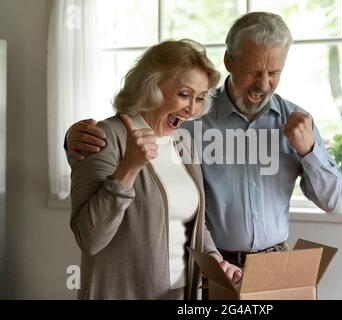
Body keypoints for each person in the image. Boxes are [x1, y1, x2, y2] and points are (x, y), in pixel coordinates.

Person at [66, 12, 342, 269]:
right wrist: (72, 140)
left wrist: (309, 151)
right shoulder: (190, 117)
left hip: (274, 263)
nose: (263, 84)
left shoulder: (297, 123)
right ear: (229, 61)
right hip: (208, 264)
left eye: (274, 73)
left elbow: (332, 201)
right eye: (253, 72)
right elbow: (136, 129)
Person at [67, 39, 241, 300]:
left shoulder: (183, 144)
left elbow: (192, 222)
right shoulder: (104, 137)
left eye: (200, 98)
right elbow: (90, 238)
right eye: (184, 94)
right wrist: (129, 168)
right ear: (152, 87)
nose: (192, 108)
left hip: (180, 294)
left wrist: (214, 258)